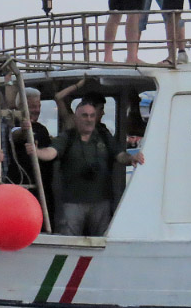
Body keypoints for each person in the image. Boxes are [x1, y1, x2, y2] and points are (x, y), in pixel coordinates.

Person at [27, 99, 144, 236]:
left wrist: (132, 158)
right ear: (76, 119)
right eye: (84, 115)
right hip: (72, 204)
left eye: (92, 116)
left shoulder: (104, 136)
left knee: (101, 241)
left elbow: (120, 156)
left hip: (101, 203)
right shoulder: (68, 137)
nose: (89, 119)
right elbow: (51, 152)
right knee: (68, 243)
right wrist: (37, 152)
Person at [7, 87, 55, 223]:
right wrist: (25, 129)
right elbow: (16, 135)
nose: (37, 110)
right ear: (22, 107)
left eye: (38, 106)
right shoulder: (14, 126)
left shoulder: (42, 129)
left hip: (43, 190)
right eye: (33, 106)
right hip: (23, 190)